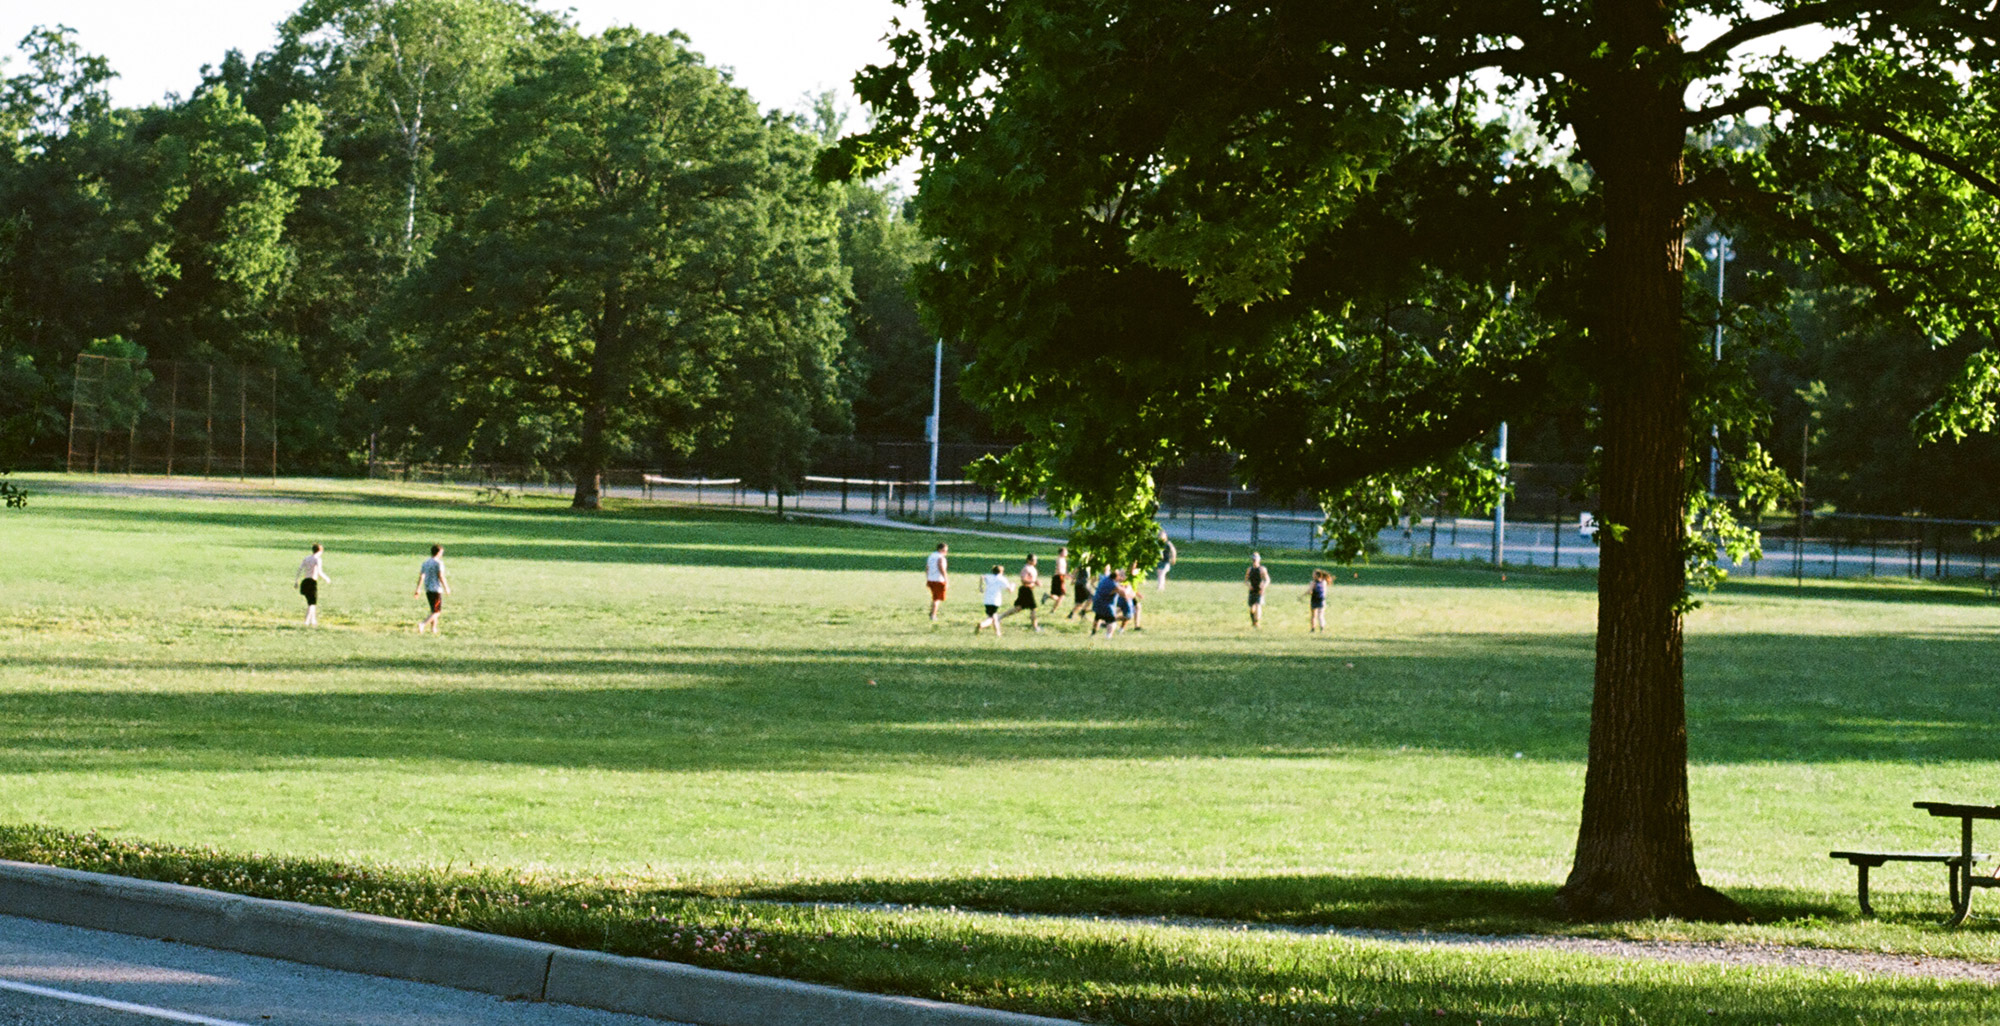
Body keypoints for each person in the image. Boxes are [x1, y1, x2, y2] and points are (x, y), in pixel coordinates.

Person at [999, 553, 1043, 631]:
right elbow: (1023, 580)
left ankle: (999, 617)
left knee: (1018, 608)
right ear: (1028, 560)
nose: (1035, 561)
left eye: (1036, 560)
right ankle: (1035, 627)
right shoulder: (1026, 568)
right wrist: (1034, 581)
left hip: (1029, 590)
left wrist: (1035, 582)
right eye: (1033, 560)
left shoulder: (1032, 568)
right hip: (1026, 590)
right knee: (1033, 608)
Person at [415, 544, 451, 634]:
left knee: (433, 610)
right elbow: (441, 576)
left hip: (428, 588)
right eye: (441, 552)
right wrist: (446, 587)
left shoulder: (426, 563)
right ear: (438, 553)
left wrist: (418, 589)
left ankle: (433, 629)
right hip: (436, 589)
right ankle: (423, 624)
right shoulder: (439, 563)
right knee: (437, 612)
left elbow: (422, 576)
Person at [296, 543, 330, 627]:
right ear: (320, 551)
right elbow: (319, 572)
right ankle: (307, 621)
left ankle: (313, 620)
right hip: (312, 582)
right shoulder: (317, 559)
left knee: (311, 602)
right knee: (312, 603)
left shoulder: (307, 558)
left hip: (305, 581)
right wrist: (326, 578)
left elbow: (300, 569)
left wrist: (296, 581)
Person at [974, 563, 1011, 635]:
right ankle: (982, 624)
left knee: (994, 616)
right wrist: (1013, 585)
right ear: (1001, 572)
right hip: (995, 601)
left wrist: (981, 586)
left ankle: (998, 633)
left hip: (987, 600)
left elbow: (982, 576)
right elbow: (1010, 590)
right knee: (991, 618)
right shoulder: (1002, 579)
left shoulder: (989, 576)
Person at [1091, 568, 1126, 637]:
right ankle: (1108, 636)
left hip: (1097, 602)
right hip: (1107, 605)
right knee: (1112, 621)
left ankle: (1093, 634)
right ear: (1116, 577)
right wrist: (1124, 587)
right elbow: (1123, 593)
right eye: (1120, 576)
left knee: (1098, 617)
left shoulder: (1105, 579)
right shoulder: (1113, 584)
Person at [925, 543, 950, 621]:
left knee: (934, 597)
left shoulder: (931, 556)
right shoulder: (940, 557)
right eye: (944, 550)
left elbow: (927, 567)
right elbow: (941, 568)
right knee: (937, 599)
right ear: (940, 550)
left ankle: (932, 612)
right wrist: (946, 579)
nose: (946, 552)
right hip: (938, 580)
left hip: (931, 579)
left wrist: (928, 577)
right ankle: (933, 615)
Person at [1245, 552, 1270, 627]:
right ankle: (1254, 622)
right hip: (1252, 590)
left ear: (1259, 560)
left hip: (1260, 590)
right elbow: (1246, 580)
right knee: (1252, 608)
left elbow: (1267, 580)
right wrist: (1249, 586)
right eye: (1253, 559)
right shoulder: (1249, 569)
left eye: (1256, 559)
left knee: (1258, 605)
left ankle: (1257, 622)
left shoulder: (1262, 569)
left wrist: (1263, 586)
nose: (1254, 561)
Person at [1045, 547, 1072, 616]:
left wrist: (1067, 575)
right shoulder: (1059, 559)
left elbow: (1063, 570)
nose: (1067, 553)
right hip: (1058, 577)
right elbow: (1060, 570)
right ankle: (1052, 607)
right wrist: (1066, 575)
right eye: (1065, 552)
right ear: (1061, 553)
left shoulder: (1063, 560)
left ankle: (1052, 610)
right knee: (1062, 595)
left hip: (1061, 577)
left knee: (1059, 596)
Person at [1308, 568, 1332, 632]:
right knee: (1321, 615)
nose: (1312, 575)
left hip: (1314, 600)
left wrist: (1305, 594)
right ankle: (1322, 628)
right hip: (1322, 600)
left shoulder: (1313, 583)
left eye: (1314, 574)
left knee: (1313, 615)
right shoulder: (1324, 582)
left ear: (1316, 575)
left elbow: (1310, 591)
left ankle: (1313, 629)